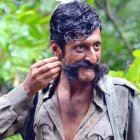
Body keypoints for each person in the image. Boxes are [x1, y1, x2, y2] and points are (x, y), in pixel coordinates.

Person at [0, 1, 140, 140]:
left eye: (96, 46)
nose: (92, 58)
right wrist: (26, 90)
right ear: (56, 49)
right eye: (81, 47)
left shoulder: (123, 96)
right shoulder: (36, 98)